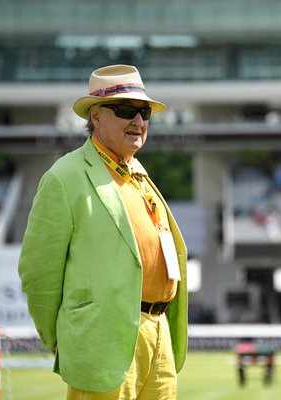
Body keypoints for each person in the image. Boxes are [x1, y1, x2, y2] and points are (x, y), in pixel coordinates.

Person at [18, 64, 188, 400]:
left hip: (159, 332)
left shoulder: (138, 172)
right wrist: (61, 338)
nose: (138, 121)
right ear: (96, 117)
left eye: (144, 113)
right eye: (126, 110)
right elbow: (38, 272)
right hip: (101, 340)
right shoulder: (63, 177)